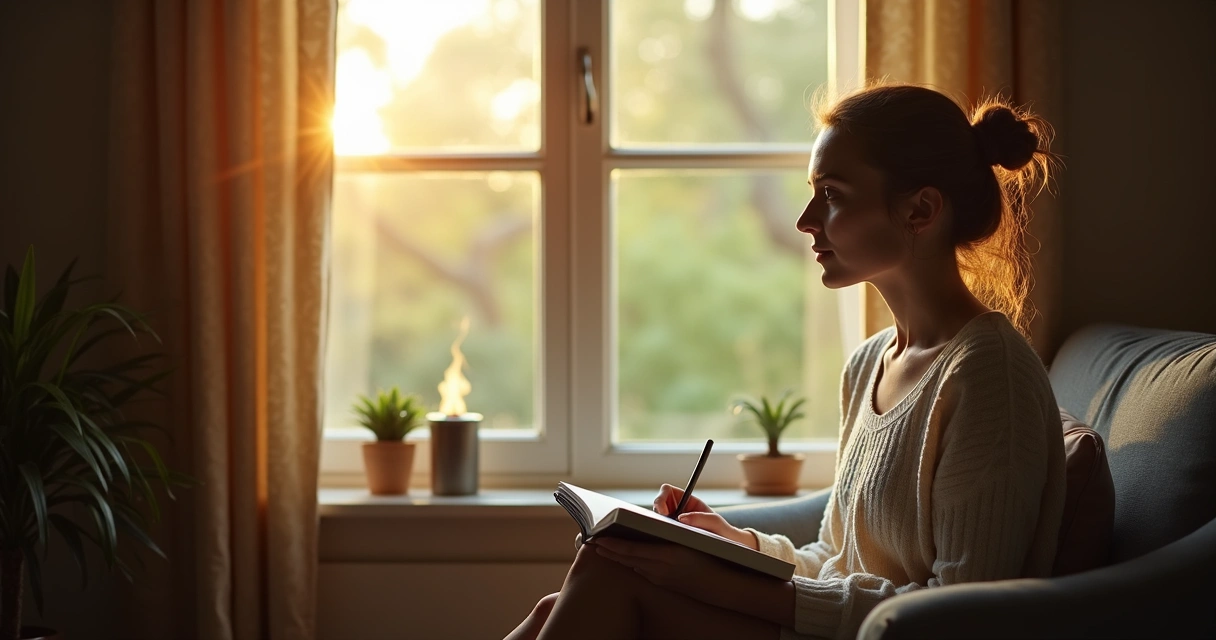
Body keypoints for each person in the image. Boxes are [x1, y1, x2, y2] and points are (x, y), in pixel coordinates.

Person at [505, 83, 1066, 640]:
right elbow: (834, 558)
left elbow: (961, 615)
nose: (805, 219)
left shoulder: (989, 374)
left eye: (832, 194)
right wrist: (732, 542)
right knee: (568, 597)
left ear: (920, 210)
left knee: (608, 581)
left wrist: (721, 585)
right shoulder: (870, 363)